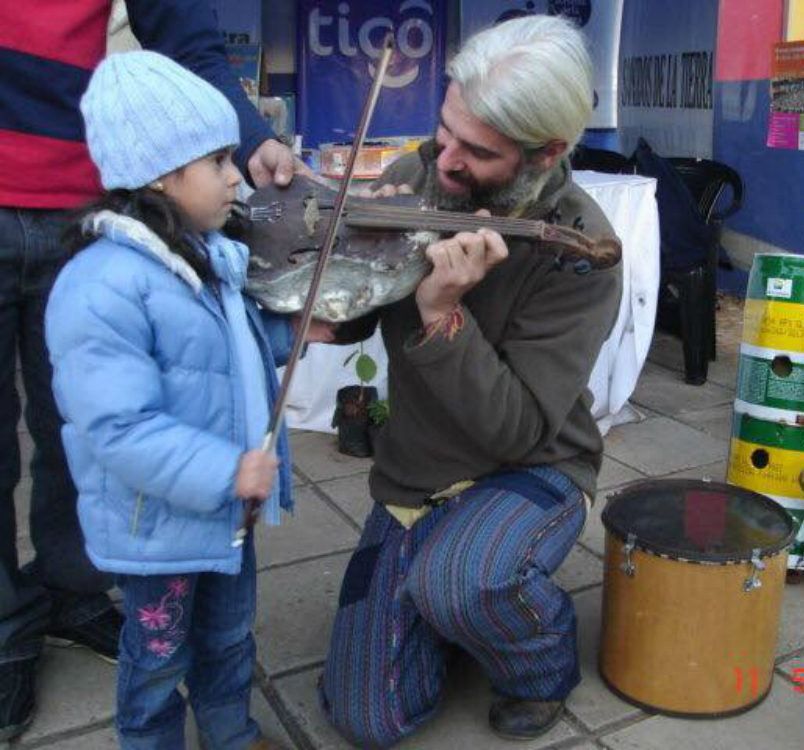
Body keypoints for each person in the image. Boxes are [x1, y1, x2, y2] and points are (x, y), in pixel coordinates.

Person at [0, 2, 304, 740]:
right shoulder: (100, 288)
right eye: (220, 162)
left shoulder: (210, 254)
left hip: (227, 522)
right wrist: (227, 471)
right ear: (162, 178)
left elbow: (220, 348)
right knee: (157, 664)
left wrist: (288, 330)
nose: (237, 179)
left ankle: (231, 733)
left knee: (231, 643)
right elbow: (117, 426)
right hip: (164, 531)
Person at [319, 14, 623, 746]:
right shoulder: (412, 176)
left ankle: (538, 661)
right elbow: (362, 305)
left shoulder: (579, 251)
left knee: (462, 582)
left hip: (531, 469)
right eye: (444, 131)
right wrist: (329, 300)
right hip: (417, 472)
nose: (443, 161)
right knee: (366, 717)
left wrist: (442, 313)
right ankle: (457, 596)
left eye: (476, 152)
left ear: (545, 152)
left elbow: (517, 428)